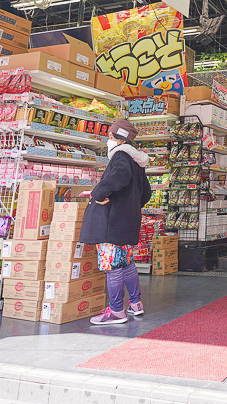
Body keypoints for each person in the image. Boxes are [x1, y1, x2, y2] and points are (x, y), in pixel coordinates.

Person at [80, 118, 152, 325]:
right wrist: (130, 205)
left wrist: (99, 193)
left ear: (118, 139)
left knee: (112, 266)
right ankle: (136, 304)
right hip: (127, 221)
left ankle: (116, 311)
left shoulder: (120, 156)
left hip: (112, 221)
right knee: (127, 263)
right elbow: (145, 193)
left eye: (110, 136)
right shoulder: (137, 161)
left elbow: (118, 177)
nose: (107, 139)